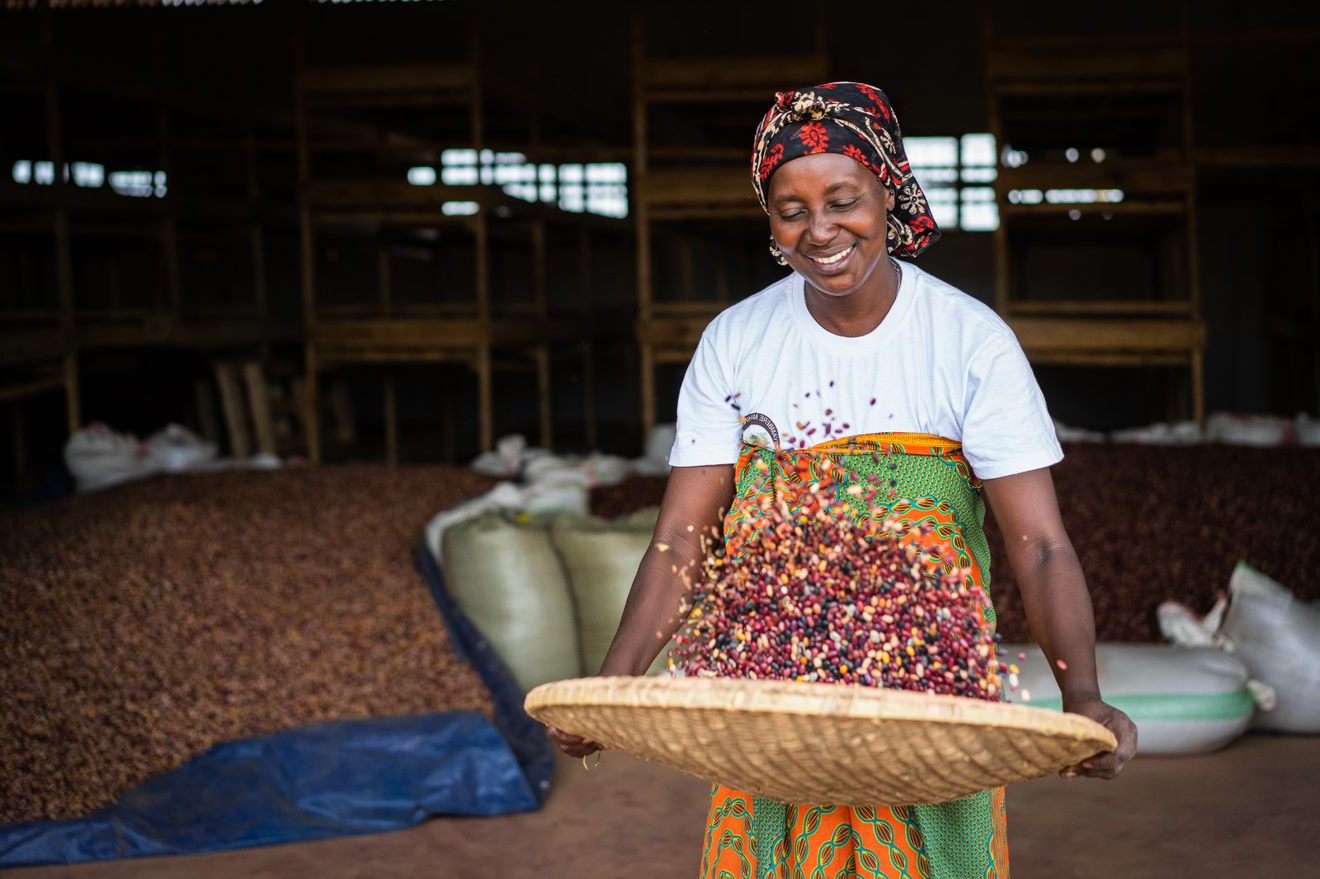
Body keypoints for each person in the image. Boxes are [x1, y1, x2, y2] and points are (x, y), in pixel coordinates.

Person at [549, 82, 1138, 878]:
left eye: (842, 200)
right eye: (789, 208)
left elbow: (1038, 546)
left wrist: (1084, 697)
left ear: (887, 194)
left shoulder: (968, 342)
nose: (819, 229)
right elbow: (679, 541)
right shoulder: (736, 344)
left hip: (928, 705)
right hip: (773, 710)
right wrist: (611, 687)